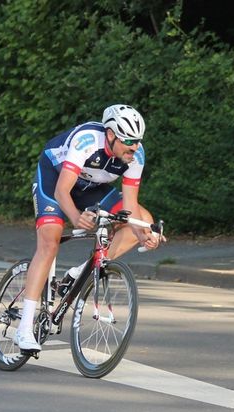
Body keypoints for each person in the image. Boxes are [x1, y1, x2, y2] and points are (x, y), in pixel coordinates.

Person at [14, 104, 165, 351]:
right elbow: (62, 191)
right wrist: (75, 217)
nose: (134, 146)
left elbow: (129, 206)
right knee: (50, 242)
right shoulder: (86, 140)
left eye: (138, 140)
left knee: (143, 218)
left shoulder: (135, 156)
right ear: (110, 135)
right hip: (56, 181)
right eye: (128, 140)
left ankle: (81, 271)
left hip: (92, 188)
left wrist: (144, 234)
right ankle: (24, 328)